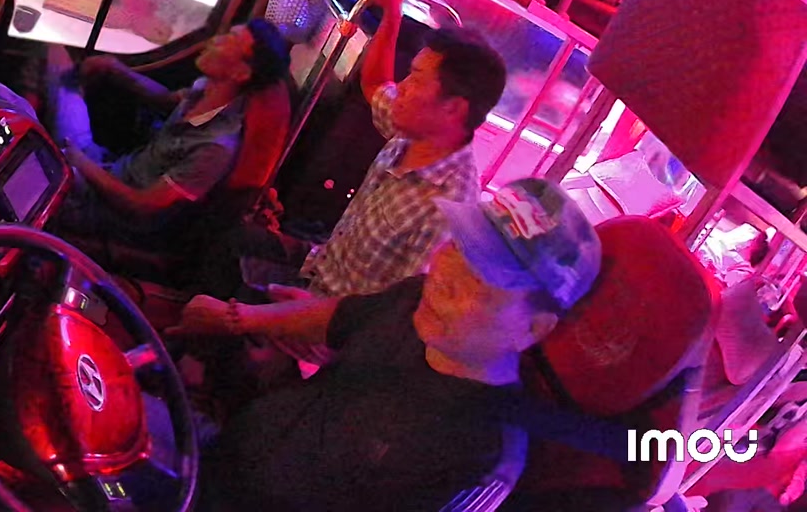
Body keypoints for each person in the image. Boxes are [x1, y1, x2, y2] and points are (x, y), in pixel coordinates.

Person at [170, 178, 603, 511]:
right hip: (217, 453)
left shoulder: (482, 455)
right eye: (459, 245)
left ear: (534, 329)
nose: (443, 275)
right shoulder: (414, 302)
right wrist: (240, 318)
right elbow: (340, 316)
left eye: (482, 278)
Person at [220, 0, 509, 299]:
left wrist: (284, 316)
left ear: (453, 108)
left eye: (416, 78)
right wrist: (391, 13)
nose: (401, 87)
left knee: (216, 293)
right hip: (317, 266)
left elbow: (385, 316)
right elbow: (374, 83)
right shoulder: (417, 130)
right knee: (221, 229)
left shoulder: (446, 212)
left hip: (323, 315)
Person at [0, 19, 291, 249]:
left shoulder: (215, 149)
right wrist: (115, 68)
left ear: (240, 73)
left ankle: (30, 140)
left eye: (228, 40)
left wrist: (79, 163)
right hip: (99, 164)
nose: (214, 39)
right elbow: (164, 100)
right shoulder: (208, 90)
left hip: (97, 207)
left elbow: (141, 206)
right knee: (51, 43)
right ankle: (31, 126)